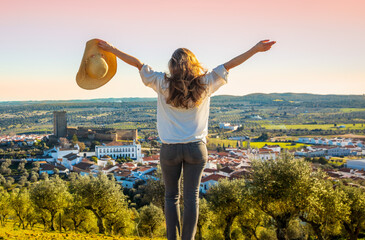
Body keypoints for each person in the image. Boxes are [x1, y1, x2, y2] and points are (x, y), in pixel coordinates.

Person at [98, 39, 275, 240]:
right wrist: (255, 49)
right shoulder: (205, 83)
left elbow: (137, 64)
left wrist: (112, 50)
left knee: (171, 197)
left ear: (172, 66)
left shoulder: (161, 82)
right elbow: (229, 64)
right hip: (196, 149)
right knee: (192, 198)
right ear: (193, 64)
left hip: (170, 149)